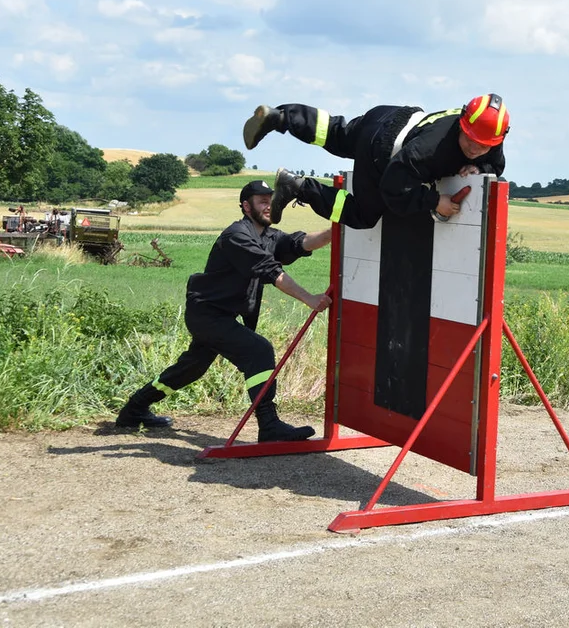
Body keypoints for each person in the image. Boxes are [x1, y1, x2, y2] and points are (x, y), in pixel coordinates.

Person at [115, 180, 332, 442]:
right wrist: (309, 298)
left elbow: (300, 243)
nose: (269, 205)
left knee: (192, 367)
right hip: (206, 314)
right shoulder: (237, 235)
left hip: (220, 316)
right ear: (245, 206)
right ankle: (269, 424)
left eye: (271, 200)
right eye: (262, 201)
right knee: (259, 350)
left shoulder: (269, 236)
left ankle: (134, 408)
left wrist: (337, 230)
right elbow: (270, 271)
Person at [241, 94, 509, 227]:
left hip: (390, 115)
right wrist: (433, 201)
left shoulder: (488, 136)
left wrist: (481, 167)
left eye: (484, 146)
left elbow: (496, 165)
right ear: (463, 124)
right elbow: (393, 187)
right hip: (382, 149)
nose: (475, 148)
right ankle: (299, 187)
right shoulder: (431, 149)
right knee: (363, 216)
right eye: (470, 140)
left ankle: (281, 117)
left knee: (336, 133)